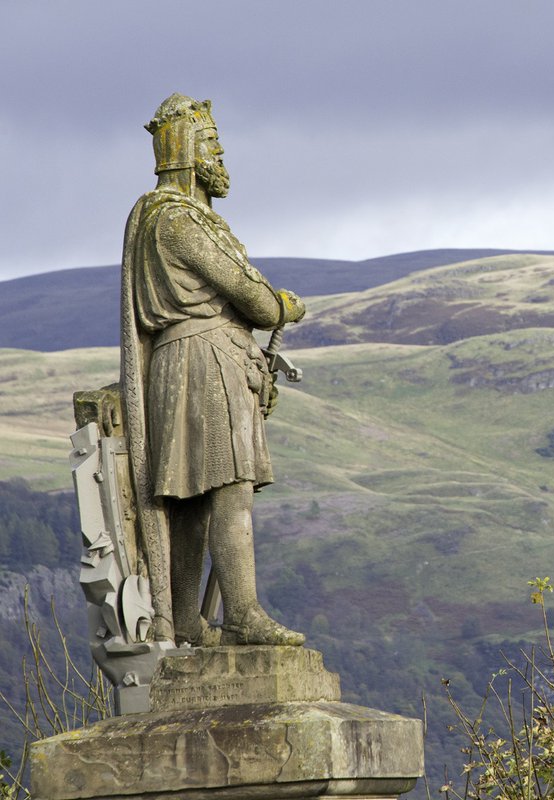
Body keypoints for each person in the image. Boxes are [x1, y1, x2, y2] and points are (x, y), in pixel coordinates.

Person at [121, 93, 306, 646]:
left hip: (201, 362)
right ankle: (242, 614)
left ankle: (186, 618)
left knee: (196, 496)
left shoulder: (179, 218)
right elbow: (250, 296)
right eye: (212, 146)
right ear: (188, 152)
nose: (220, 157)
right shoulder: (177, 220)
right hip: (203, 363)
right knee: (227, 488)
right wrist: (282, 305)